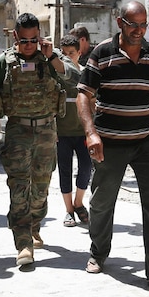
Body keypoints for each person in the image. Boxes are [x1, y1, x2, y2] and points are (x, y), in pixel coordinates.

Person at [77, 1, 149, 294]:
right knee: (102, 201)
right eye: (132, 24)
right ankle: (98, 250)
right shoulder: (102, 54)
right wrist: (90, 133)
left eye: (143, 24)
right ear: (119, 22)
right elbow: (84, 96)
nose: (138, 30)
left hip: (147, 140)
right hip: (111, 142)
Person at [0, 13, 80, 266]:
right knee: (19, 187)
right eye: (24, 41)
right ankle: (23, 242)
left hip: (47, 131)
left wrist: (52, 56)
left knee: (41, 188)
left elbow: (75, 79)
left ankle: (34, 224)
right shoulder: (3, 62)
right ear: (15, 37)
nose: (29, 46)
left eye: (33, 40)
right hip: (17, 132)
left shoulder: (50, 57)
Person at [55, 34, 92, 227]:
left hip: (82, 132)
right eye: (64, 54)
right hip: (62, 132)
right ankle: (69, 210)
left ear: (79, 52)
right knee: (65, 171)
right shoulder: (58, 76)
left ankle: (79, 202)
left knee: (86, 167)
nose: (68, 57)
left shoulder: (85, 73)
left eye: (72, 53)